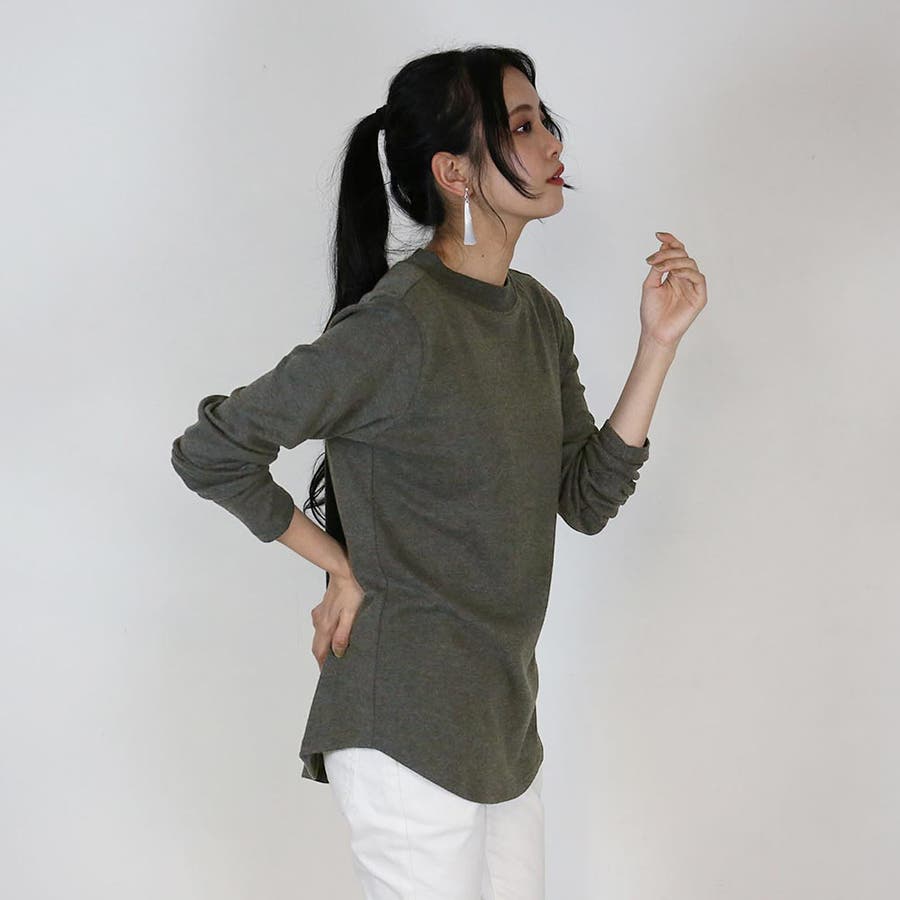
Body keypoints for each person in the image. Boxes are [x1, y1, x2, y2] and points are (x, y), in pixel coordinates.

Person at [170, 44, 707, 900]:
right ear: (455, 173)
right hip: (403, 726)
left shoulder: (536, 317)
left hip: (503, 730)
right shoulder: (398, 327)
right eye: (522, 126)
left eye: (543, 120)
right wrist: (339, 563)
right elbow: (213, 451)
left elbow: (584, 499)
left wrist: (658, 345)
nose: (552, 142)